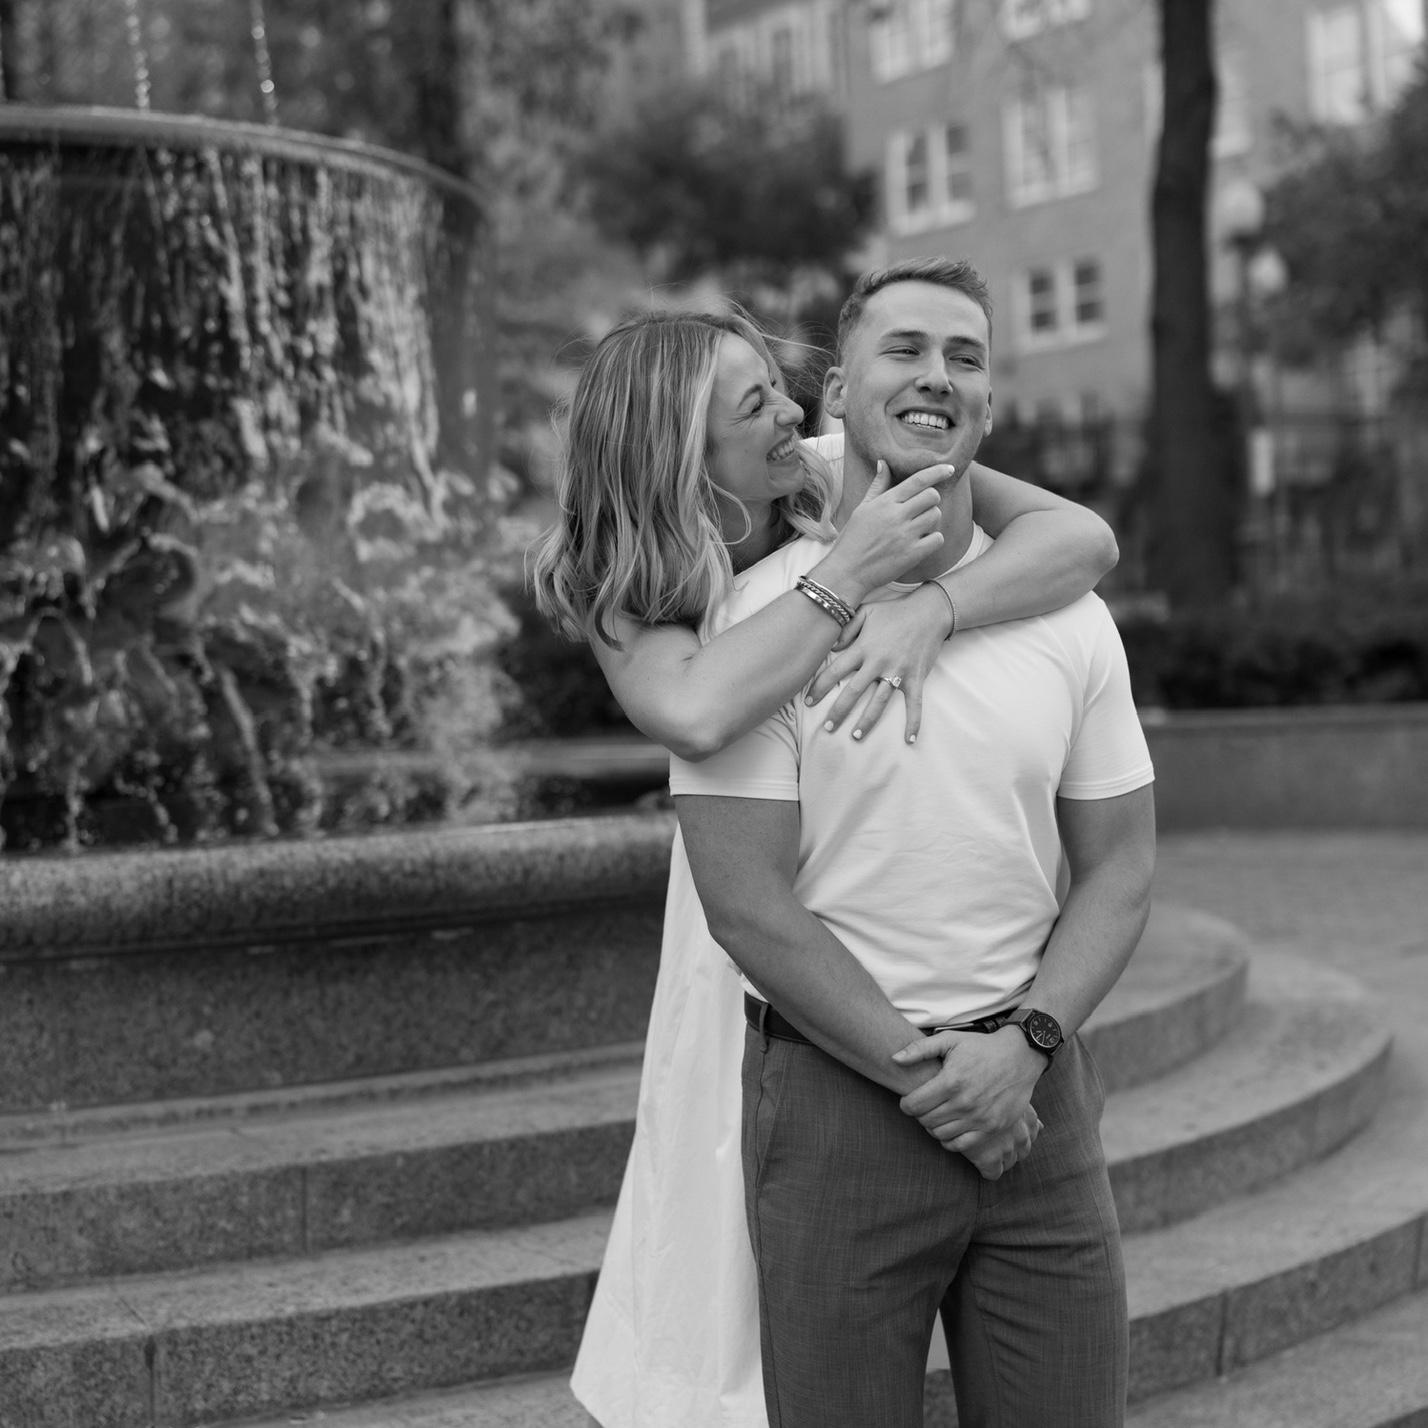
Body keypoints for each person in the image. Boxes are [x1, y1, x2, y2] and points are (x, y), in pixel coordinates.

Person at [529, 305, 1120, 1428]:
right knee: (733, 1241)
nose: (791, 416)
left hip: (850, 878)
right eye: (754, 405)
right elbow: (696, 712)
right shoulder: (630, 577)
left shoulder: (815, 460)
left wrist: (935, 607)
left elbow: (1081, 542)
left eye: (781, 387)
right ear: (679, 452)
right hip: (748, 916)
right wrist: (846, 577)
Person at [670, 258, 1156, 1428]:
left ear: (989, 405)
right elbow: (747, 906)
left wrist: (1024, 1049)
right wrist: (937, 1080)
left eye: (965, 358)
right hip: (842, 1103)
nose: (937, 375)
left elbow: (1122, 866)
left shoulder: (1070, 617)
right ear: (838, 393)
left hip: (1037, 1095)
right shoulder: (758, 624)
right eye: (904, 350)